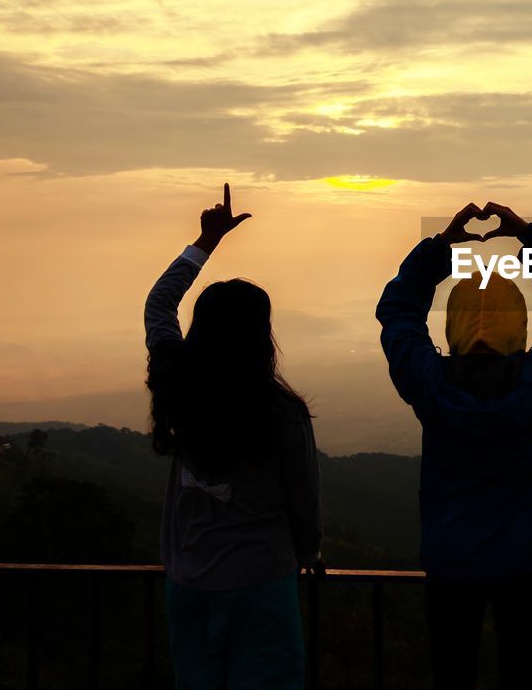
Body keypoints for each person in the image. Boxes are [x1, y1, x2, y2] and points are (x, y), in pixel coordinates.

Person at [376, 202, 532, 690]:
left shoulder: (430, 384)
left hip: (451, 563)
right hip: (529, 563)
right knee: (525, 676)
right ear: (516, 323)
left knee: (452, 677)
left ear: (452, 326)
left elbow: (396, 311)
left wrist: (439, 249)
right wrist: (531, 240)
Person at [145, 183, 322, 690]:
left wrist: (205, 242)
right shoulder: (282, 413)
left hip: (190, 584)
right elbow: (303, 504)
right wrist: (307, 556)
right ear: (260, 338)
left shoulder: (179, 386)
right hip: (263, 583)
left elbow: (159, 307)